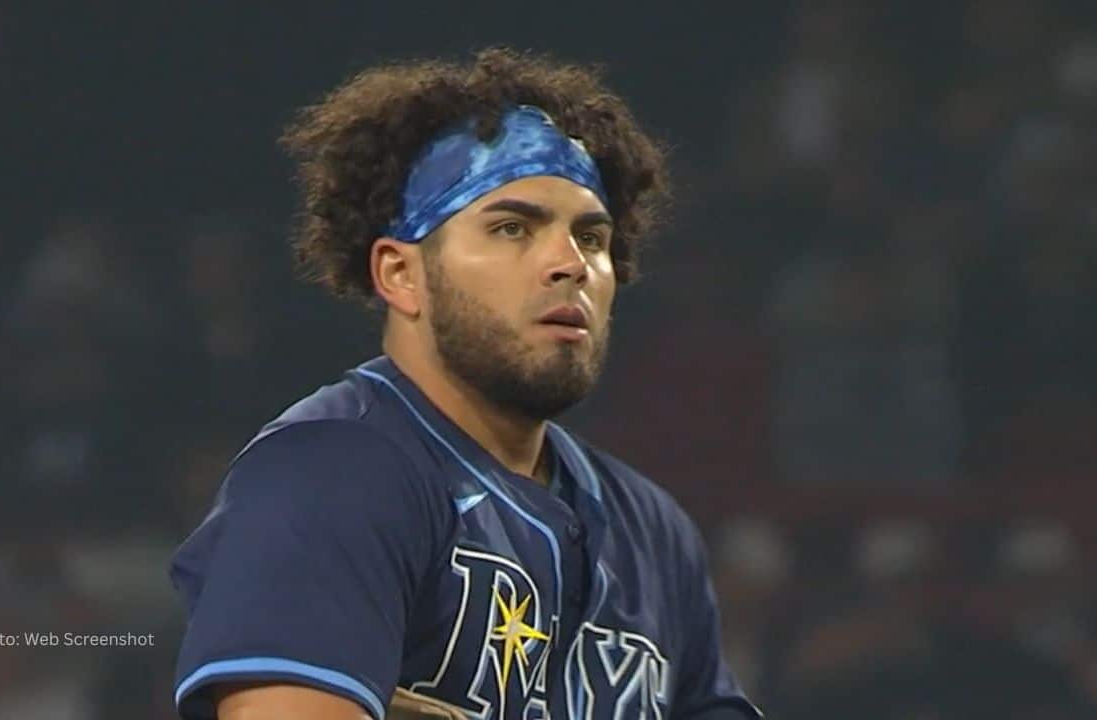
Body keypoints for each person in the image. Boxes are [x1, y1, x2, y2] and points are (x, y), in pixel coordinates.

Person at [169, 47, 763, 720]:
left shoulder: (653, 528)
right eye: (512, 228)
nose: (570, 263)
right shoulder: (330, 474)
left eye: (592, 238)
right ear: (401, 275)